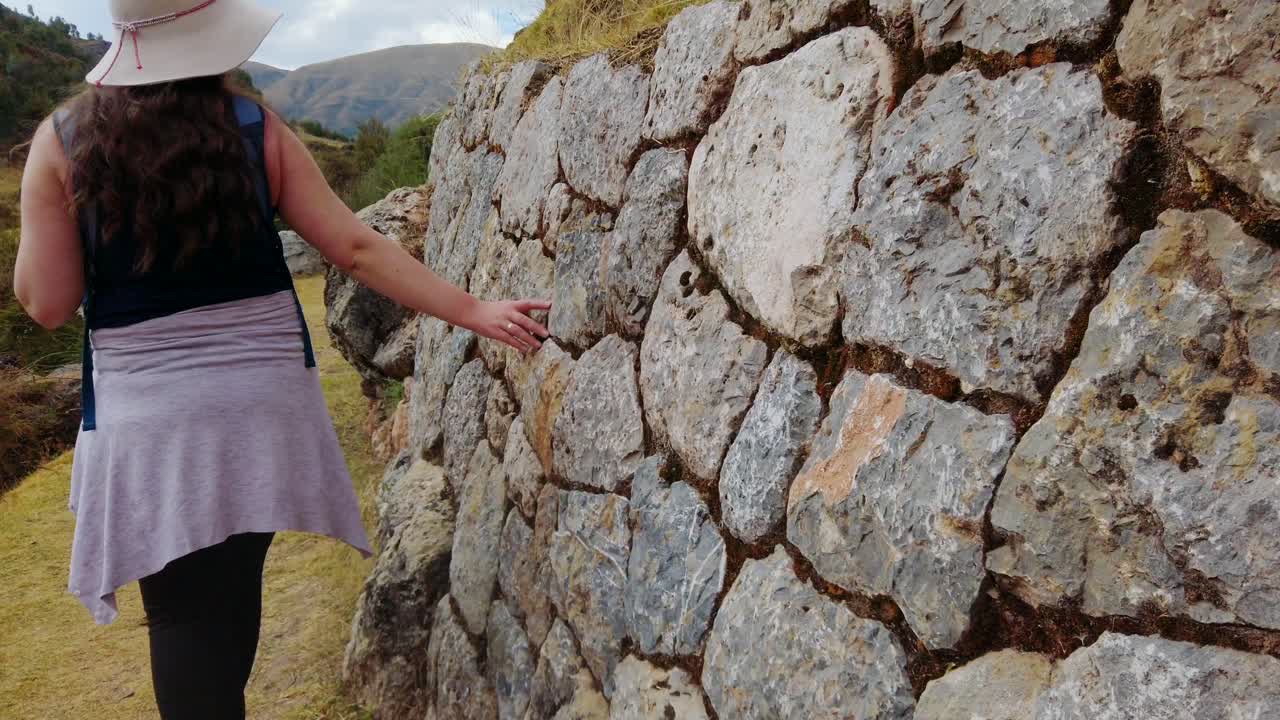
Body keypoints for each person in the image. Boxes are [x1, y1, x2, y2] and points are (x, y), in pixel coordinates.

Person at [12, 0, 550, 716]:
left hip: (150, 423)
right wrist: (474, 310)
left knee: (180, 615)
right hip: (261, 408)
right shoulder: (251, 128)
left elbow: (47, 302)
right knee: (229, 594)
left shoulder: (63, 141)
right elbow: (356, 247)